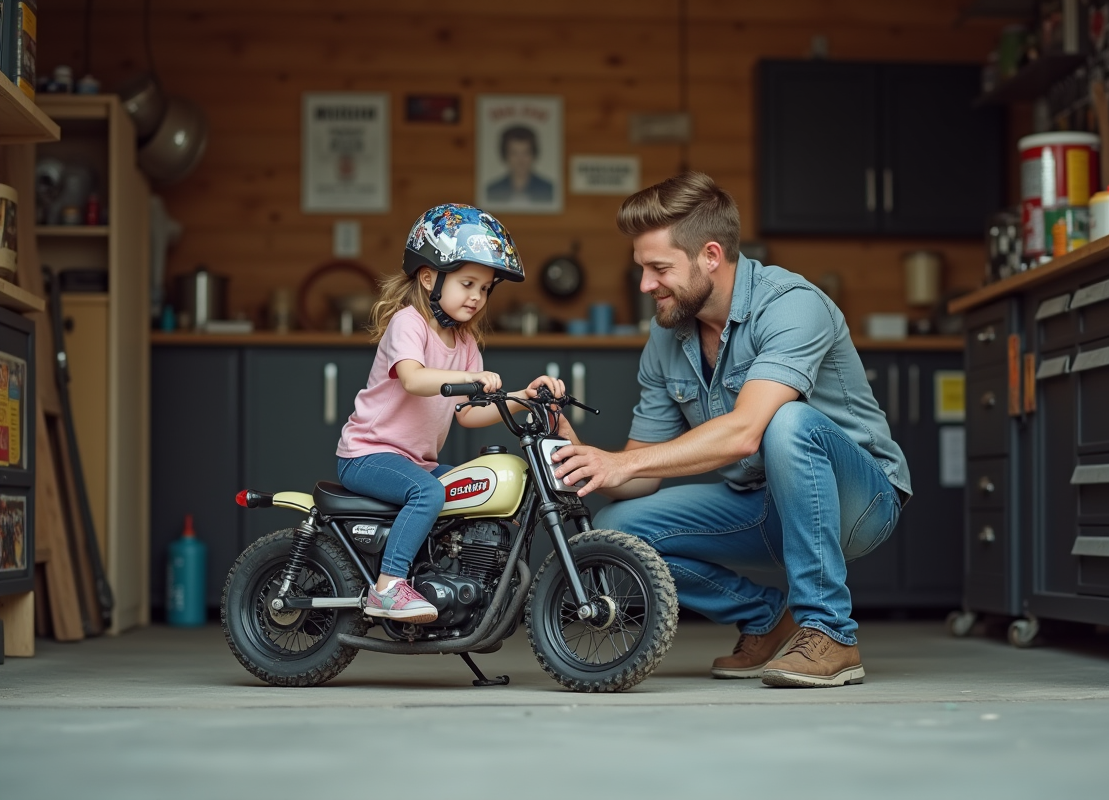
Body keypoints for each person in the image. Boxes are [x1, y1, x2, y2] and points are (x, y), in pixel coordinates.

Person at [549, 172, 911, 688]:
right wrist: (584, 457)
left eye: (659, 269)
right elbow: (640, 474)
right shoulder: (667, 335)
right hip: (762, 505)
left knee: (786, 421)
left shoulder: (791, 303)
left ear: (711, 256)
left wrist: (624, 462)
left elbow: (745, 432)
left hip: (860, 501)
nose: (646, 285)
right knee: (618, 528)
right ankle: (765, 619)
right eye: (642, 269)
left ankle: (830, 630)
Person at [336, 203, 564, 622]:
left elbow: (468, 414)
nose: (477, 296)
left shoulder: (466, 343)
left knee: (474, 487)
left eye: (486, 288)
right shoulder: (409, 323)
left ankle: (447, 587)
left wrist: (523, 396)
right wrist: (473, 379)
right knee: (429, 493)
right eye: (467, 283)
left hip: (416, 462)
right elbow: (413, 379)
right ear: (429, 278)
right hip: (367, 453)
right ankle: (388, 587)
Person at [485, 125, 554, 205]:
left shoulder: (548, 190)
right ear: (505, 155)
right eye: (514, 153)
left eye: (526, 153)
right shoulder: (493, 190)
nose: (520, 160)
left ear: (533, 155)